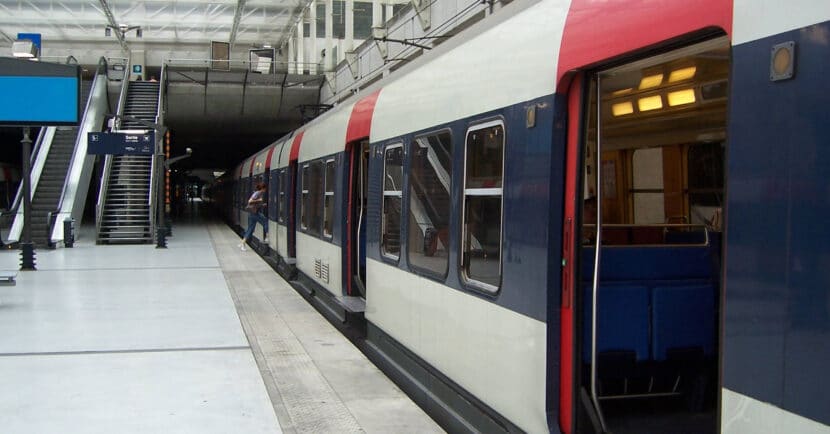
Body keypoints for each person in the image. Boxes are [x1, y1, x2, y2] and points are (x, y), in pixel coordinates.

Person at [238, 183, 268, 251]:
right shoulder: (257, 193)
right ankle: (267, 237)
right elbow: (250, 201)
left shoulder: (258, 193)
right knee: (265, 221)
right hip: (254, 214)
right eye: (265, 189)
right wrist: (259, 200)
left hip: (252, 213)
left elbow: (255, 205)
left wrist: (262, 205)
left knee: (250, 229)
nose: (265, 190)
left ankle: (242, 243)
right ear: (263, 189)